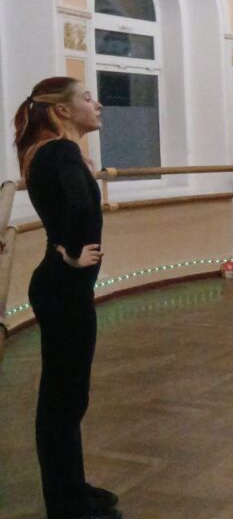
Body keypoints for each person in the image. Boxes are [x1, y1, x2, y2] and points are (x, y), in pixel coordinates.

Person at [16, 77, 121, 519]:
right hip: (63, 288)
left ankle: (73, 488)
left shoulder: (58, 152)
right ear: (61, 110)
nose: (98, 105)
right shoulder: (59, 152)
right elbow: (77, 204)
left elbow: (72, 199)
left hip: (62, 287)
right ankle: (66, 503)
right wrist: (72, 252)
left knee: (69, 397)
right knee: (63, 400)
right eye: (87, 98)